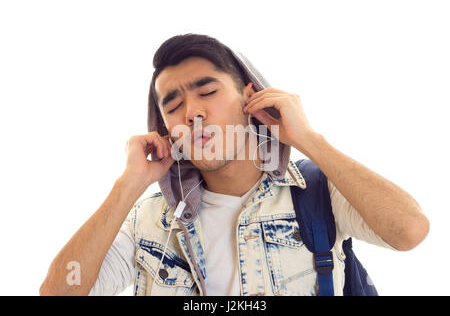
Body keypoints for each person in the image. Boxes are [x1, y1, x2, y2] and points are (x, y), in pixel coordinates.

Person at [39, 33, 429, 296]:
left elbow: (409, 230)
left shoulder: (314, 194)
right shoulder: (148, 222)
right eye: (173, 107)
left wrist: (307, 138)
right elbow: (60, 290)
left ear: (250, 97)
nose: (192, 112)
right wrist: (128, 183)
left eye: (207, 91)